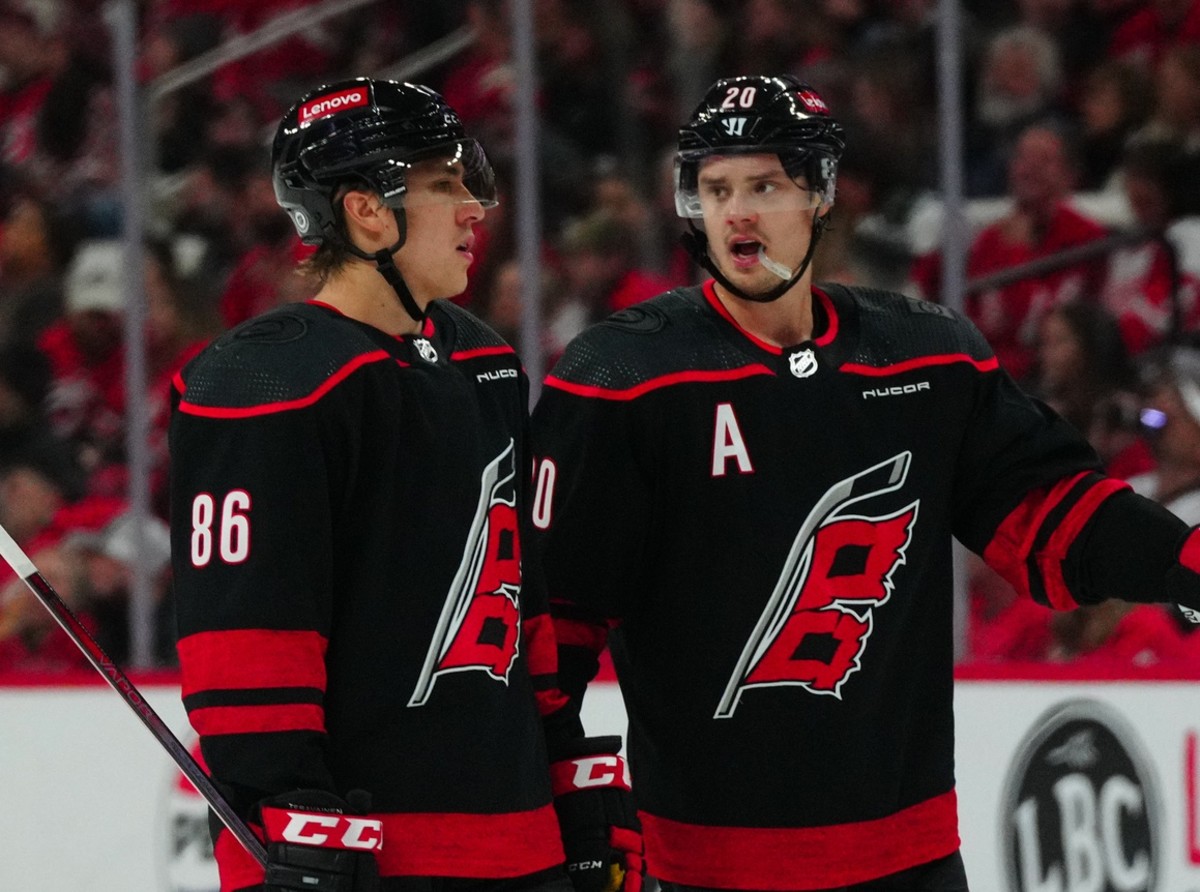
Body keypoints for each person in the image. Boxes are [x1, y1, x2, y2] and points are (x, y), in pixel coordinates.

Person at [528, 74, 1200, 892]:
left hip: (910, 855)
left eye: (765, 185)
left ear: (820, 195)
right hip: (707, 860)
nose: (736, 211)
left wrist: (1181, 557)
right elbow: (551, 619)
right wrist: (552, 801)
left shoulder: (927, 355)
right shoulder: (622, 377)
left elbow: (1049, 513)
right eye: (716, 188)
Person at [169, 79, 642, 892]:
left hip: (522, 846)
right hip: (376, 855)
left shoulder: (482, 361)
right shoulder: (269, 380)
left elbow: (512, 600)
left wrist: (569, 773)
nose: (473, 208)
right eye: (442, 184)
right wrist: (285, 816)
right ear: (367, 211)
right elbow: (245, 649)